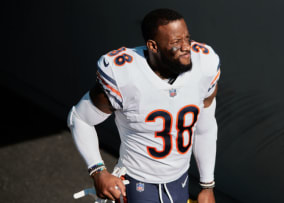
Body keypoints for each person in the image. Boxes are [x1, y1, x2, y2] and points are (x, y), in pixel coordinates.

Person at [67, 8, 220, 203]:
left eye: (187, 38)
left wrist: (207, 185)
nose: (186, 47)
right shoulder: (125, 75)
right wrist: (98, 171)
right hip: (137, 184)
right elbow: (79, 118)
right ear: (153, 46)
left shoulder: (204, 65)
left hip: (179, 182)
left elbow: (204, 129)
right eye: (175, 42)